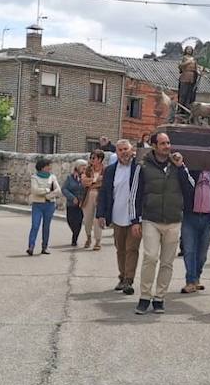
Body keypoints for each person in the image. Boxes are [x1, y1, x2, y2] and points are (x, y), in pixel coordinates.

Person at [131, 132, 194, 314]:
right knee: (150, 257)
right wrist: (135, 220)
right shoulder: (142, 167)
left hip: (173, 220)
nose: (167, 146)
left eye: (168, 143)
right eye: (163, 143)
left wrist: (181, 166)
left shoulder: (178, 166)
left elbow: (190, 188)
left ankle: (159, 298)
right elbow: (134, 195)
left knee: (167, 262)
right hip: (151, 219)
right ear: (154, 146)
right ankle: (144, 296)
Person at [97, 140, 141, 295]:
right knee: (120, 249)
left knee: (132, 249)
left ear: (132, 150)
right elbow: (103, 193)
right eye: (121, 150)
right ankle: (122, 277)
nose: (124, 152)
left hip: (135, 217)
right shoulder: (110, 170)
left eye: (126, 149)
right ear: (117, 152)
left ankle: (129, 280)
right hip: (116, 216)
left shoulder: (139, 168)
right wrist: (101, 214)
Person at [181, 166, 210, 294]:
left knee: (202, 254)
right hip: (190, 216)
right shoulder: (191, 171)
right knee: (189, 251)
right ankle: (190, 281)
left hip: (208, 218)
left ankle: (196, 277)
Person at [27, 158, 61, 256]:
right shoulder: (34, 177)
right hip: (37, 204)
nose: (50, 167)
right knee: (35, 225)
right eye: (48, 166)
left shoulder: (52, 177)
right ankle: (31, 246)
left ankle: (44, 247)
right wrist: (47, 190)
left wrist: (48, 196)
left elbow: (58, 190)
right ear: (42, 167)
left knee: (46, 227)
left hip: (49, 204)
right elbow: (34, 190)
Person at [81, 150, 106, 250]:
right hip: (88, 197)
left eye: (94, 158)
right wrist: (96, 180)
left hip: (100, 197)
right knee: (87, 219)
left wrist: (91, 182)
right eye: (91, 158)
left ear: (100, 159)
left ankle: (98, 241)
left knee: (98, 220)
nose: (91, 160)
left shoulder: (105, 170)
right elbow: (84, 182)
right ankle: (88, 237)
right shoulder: (87, 169)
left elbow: (105, 182)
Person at [62, 159, 89, 248]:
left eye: (85, 167)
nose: (84, 169)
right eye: (82, 167)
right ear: (77, 167)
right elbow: (64, 189)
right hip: (71, 204)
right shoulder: (70, 178)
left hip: (82, 204)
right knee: (70, 221)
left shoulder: (86, 178)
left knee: (78, 222)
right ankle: (74, 232)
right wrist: (72, 198)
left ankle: (75, 238)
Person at [178, 47, 200, 113]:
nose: (189, 51)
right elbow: (180, 66)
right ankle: (181, 107)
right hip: (185, 75)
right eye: (188, 49)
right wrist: (188, 62)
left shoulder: (194, 59)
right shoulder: (184, 58)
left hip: (193, 77)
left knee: (190, 93)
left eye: (190, 50)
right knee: (183, 93)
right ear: (186, 50)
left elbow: (196, 68)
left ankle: (188, 107)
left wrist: (198, 72)